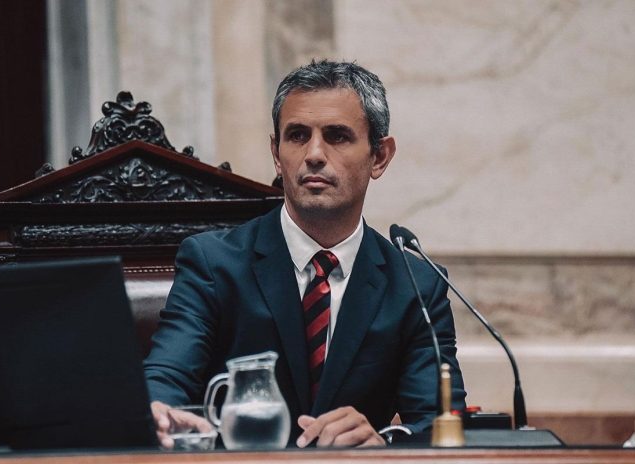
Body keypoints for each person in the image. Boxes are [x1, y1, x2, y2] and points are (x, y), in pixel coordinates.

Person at [144, 59, 466, 449]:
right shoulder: (213, 263)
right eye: (297, 135)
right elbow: (165, 379)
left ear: (379, 156)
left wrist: (383, 444)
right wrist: (156, 409)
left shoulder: (417, 285)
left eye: (337, 136)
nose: (314, 154)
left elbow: (439, 423)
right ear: (276, 154)